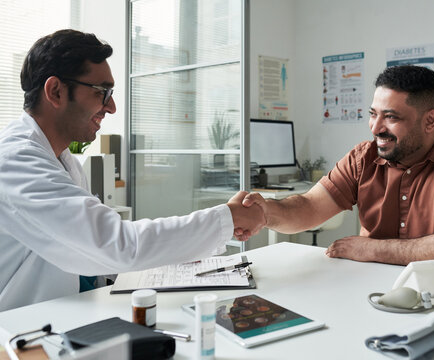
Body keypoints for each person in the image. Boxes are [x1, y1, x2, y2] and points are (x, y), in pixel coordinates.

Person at [0, 29, 264, 311]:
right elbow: (116, 244)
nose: (111, 107)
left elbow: (91, 254)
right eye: (102, 92)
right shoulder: (15, 161)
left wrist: (181, 253)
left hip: (62, 315)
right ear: (55, 91)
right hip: (19, 334)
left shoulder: (64, 160)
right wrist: (226, 218)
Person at [241, 65, 434, 273]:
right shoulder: (362, 158)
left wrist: (373, 250)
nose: (375, 127)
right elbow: (310, 207)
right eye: (372, 114)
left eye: (390, 117)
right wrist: (266, 212)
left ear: (430, 120)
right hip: (372, 291)